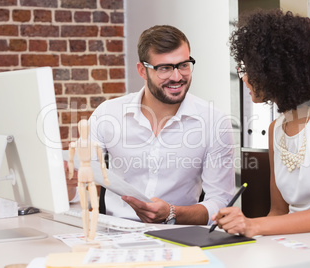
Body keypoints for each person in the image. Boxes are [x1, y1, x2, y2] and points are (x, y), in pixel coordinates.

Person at [211, 9, 310, 267]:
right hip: (290, 250)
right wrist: (244, 229)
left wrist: (252, 225)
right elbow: (278, 212)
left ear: (276, 71)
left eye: (249, 69)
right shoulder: (276, 128)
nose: (245, 78)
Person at [68, 25, 235, 225]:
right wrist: (67, 180)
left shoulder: (214, 122)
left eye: (183, 65)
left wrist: (172, 212)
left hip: (179, 235)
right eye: (164, 68)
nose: (176, 77)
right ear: (142, 70)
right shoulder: (108, 114)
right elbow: (80, 179)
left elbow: (220, 203)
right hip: (116, 233)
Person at [68, 119, 109, 241]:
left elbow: (102, 162)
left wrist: (105, 176)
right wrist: (70, 173)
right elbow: (70, 160)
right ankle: (86, 233)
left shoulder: (94, 145)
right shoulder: (74, 144)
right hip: (81, 171)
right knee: (84, 207)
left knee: (94, 207)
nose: (84, 130)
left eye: (86, 128)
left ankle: (92, 233)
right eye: (82, 128)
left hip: (88, 172)